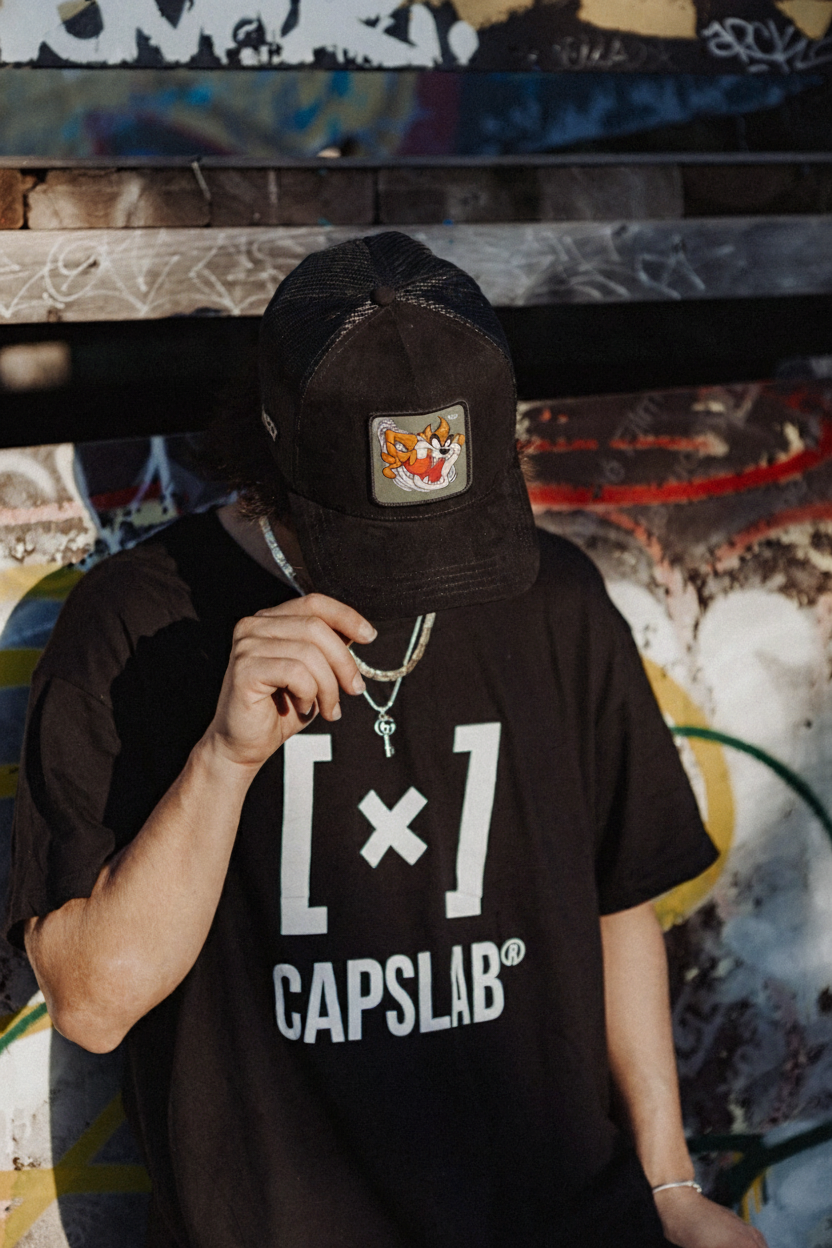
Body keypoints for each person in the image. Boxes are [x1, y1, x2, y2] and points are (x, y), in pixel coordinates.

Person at [4, 233, 767, 1248]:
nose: (425, 578)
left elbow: (616, 898)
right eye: (382, 541)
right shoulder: (137, 625)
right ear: (274, 456)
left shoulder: (554, 599)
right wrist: (223, 761)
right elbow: (94, 1004)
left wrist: (669, 1184)